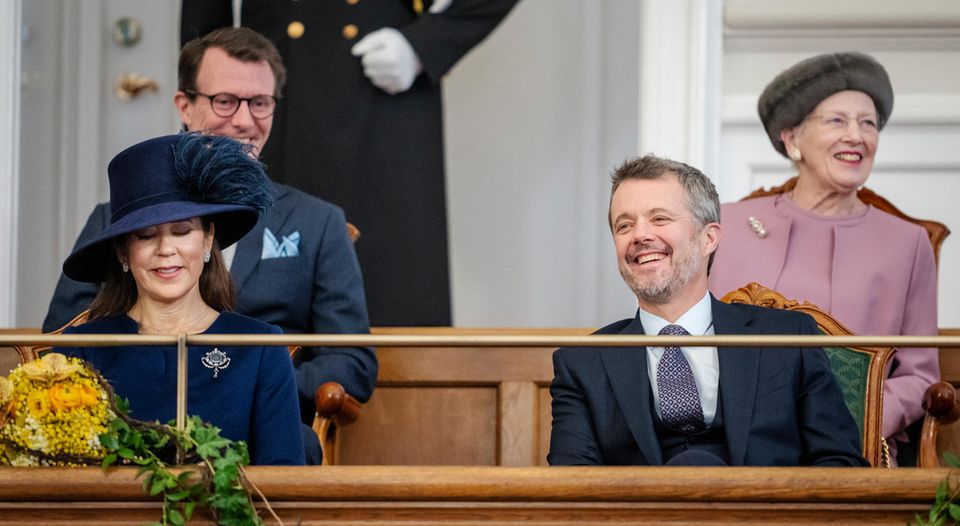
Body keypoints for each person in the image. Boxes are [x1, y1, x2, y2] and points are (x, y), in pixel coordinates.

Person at [43, 28, 378, 461]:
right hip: (128, 422)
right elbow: (60, 338)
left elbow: (352, 360)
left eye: (259, 103)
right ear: (184, 105)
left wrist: (252, 377)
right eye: (225, 101)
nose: (243, 120)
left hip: (263, 423)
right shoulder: (115, 219)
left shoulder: (318, 221)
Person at [180, 0, 520, 326]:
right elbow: (205, 14)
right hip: (283, 95)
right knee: (259, 298)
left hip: (383, 98)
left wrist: (424, 44)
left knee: (393, 293)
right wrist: (206, 103)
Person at [548, 155, 867, 467]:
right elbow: (573, 488)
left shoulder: (788, 337)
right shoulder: (582, 362)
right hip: (645, 518)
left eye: (659, 219)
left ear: (709, 238)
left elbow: (840, 464)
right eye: (624, 225)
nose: (640, 235)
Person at [707, 52, 938, 463]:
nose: (857, 135)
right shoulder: (726, 225)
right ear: (792, 139)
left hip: (857, 447)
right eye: (837, 121)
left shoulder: (908, 242)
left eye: (868, 123)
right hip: (734, 447)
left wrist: (852, 419)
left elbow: (920, 375)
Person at [55, 133, 305, 465]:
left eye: (182, 231)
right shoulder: (81, 349)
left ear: (207, 240)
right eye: (146, 236)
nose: (166, 249)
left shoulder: (260, 348)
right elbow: (64, 487)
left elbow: (284, 482)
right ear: (123, 253)